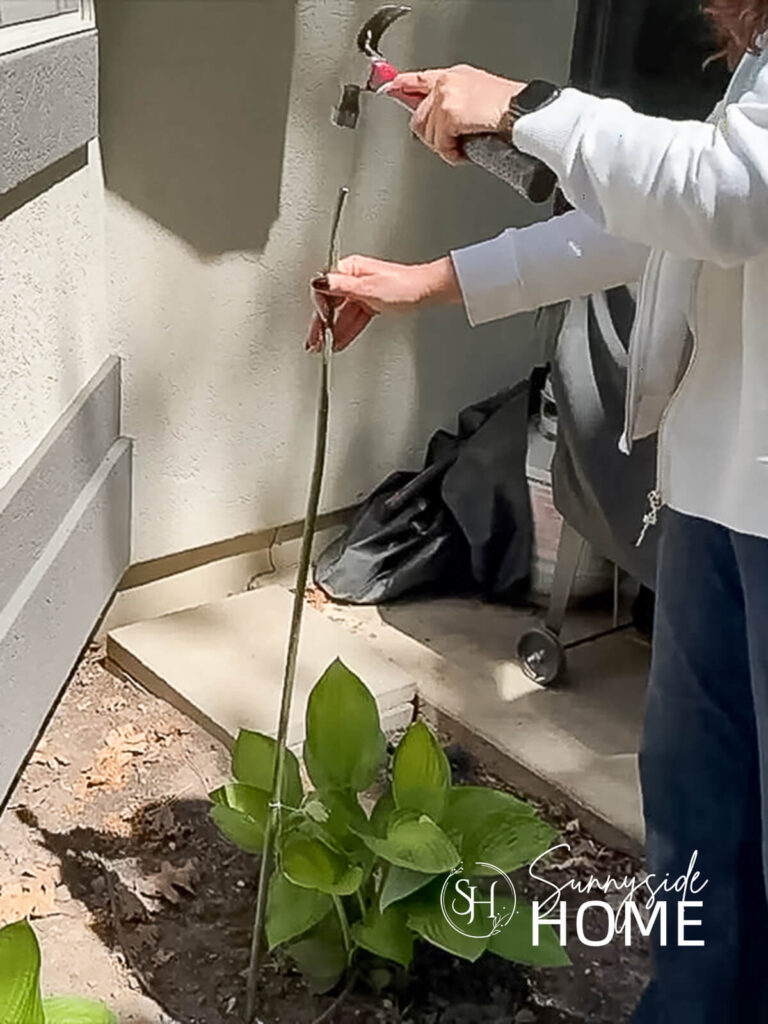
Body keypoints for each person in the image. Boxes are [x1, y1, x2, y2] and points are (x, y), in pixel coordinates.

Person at [308, 3, 768, 1022]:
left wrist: (529, 108)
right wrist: (435, 280)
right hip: (715, 501)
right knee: (701, 826)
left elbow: (730, 193)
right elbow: (665, 218)